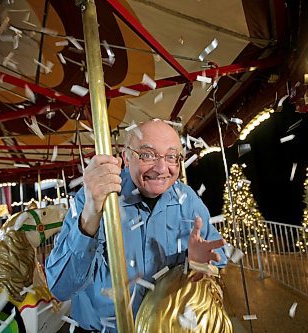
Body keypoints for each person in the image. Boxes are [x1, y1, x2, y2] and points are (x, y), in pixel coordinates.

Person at [46, 120, 227, 332]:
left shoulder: (187, 200)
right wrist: (90, 214)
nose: (161, 169)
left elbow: (217, 258)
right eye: (148, 155)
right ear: (126, 157)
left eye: (171, 157)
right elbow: (61, 288)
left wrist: (197, 265)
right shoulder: (95, 198)